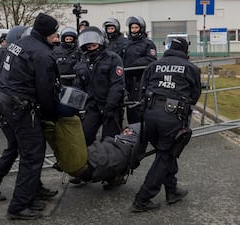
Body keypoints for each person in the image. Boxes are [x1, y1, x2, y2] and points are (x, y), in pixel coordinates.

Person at [0, 25, 58, 204]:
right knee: (17, 148)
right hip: (8, 107)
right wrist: (2, 102)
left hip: (13, 106)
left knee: (28, 151)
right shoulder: (3, 54)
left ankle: (35, 186)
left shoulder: (15, 52)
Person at [0, 13, 61, 220]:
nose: (56, 37)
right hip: (23, 107)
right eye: (54, 34)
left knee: (29, 152)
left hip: (9, 102)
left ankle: (32, 193)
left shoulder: (20, 43)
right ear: (46, 34)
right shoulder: (42, 54)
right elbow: (45, 89)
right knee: (32, 155)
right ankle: (18, 206)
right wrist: (52, 114)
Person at [131, 37, 201, 212]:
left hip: (150, 115)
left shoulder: (154, 65)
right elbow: (195, 95)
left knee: (165, 153)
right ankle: (142, 199)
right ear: (185, 51)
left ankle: (172, 190)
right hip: (172, 116)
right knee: (165, 156)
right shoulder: (191, 68)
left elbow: (142, 88)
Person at [74, 26, 125, 147]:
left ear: (101, 44)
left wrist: (111, 105)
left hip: (111, 106)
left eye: (94, 46)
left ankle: (111, 164)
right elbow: (78, 85)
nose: (91, 49)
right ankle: (89, 163)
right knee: (85, 136)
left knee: (109, 142)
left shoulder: (113, 59)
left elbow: (117, 84)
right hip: (92, 106)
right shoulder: (83, 62)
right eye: (89, 47)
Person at [120, 16, 157, 124]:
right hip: (127, 80)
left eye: (136, 27)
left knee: (140, 108)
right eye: (132, 28)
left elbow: (150, 59)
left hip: (141, 80)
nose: (134, 30)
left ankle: (143, 135)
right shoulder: (125, 43)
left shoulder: (148, 44)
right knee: (130, 108)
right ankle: (132, 133)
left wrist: (132, 64)